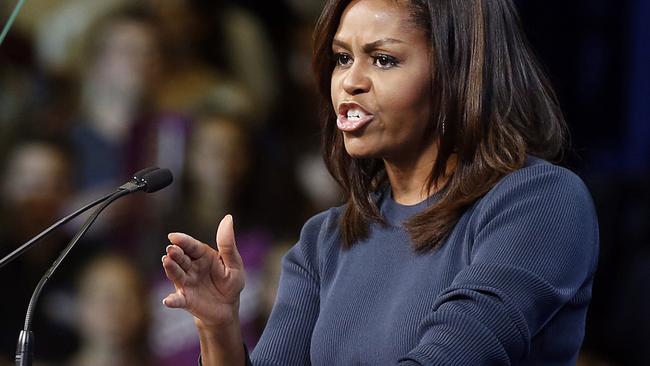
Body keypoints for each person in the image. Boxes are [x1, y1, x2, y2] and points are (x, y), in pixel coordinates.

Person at [161, 0, 599, 365]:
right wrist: (218, 327)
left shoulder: (540, 202)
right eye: (343, 58)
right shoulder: (324, 241)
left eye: (384, 59)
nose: (350, 82)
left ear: (458, 75)